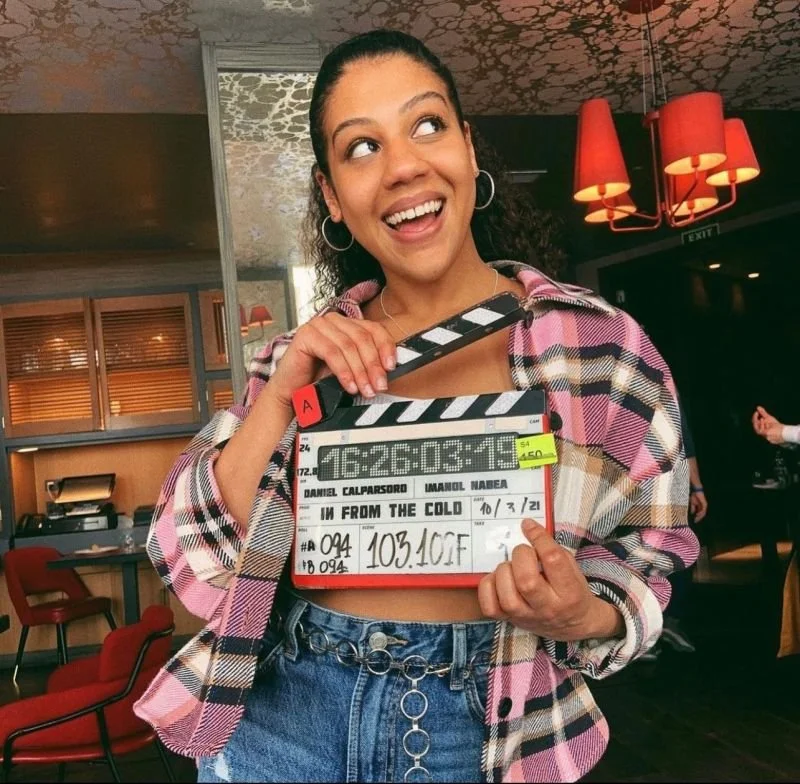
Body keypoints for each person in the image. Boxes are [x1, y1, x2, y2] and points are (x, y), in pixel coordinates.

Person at [133, 30, 698, 784]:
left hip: (495, 727)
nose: (402, 165)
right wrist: (279, 398)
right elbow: (193, 564)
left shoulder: (602, 348)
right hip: (286, 714)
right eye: (361, 147)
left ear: (467, 146)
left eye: (426, 125)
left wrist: (585, 614)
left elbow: (655, 544)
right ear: (333, 196)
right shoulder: (300, 360)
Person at [641, 404, 707, 660]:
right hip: (650, 482)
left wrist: (696, 488)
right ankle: (657, 626)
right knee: (666, 551)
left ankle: (659, 626)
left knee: (659, 552)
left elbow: (684, 438)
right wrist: (697, 488)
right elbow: (684, 438)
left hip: (649, 482)